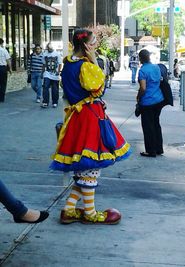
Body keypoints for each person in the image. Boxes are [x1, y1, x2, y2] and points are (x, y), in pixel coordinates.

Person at [50, 29, 131, 224]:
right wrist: (94, 59)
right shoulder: (86, 66)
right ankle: (90, 213)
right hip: (89, 117)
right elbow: (99, 87)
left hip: (77, 117)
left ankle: (69, 210)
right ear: (86, 45)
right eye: (93, 42)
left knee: (84, 169)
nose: (96, 45)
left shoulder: (68, 62)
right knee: (91, 166)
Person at [136, 49, 164, 157]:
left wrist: (138, 97)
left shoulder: (143, 70)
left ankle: (150, 151)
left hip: (148, 102)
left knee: (148, 127)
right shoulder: (156, 67)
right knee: (156, 124)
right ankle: (159, 148)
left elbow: (143, 88)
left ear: (141, 58)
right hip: (158, 100)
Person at [41, 43, 62, 108]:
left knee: (55, 89)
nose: (49, 49)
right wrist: (42, 73)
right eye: (48, 48)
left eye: (50, 48)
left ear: (53, 48)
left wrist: (58, 72)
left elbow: (60, 64)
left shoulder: (57, 54)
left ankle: (55, 102)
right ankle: (45, 102)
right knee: (45, 87)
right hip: (47, 73)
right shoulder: (44, 54)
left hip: (55, 74)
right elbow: (44, 64)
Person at [0, 38, 12, 102]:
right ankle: (1, 98)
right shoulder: (4, 50)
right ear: (2, 43)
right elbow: (8, 60)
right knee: (3, 83)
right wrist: (10, 69)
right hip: (2, 68)